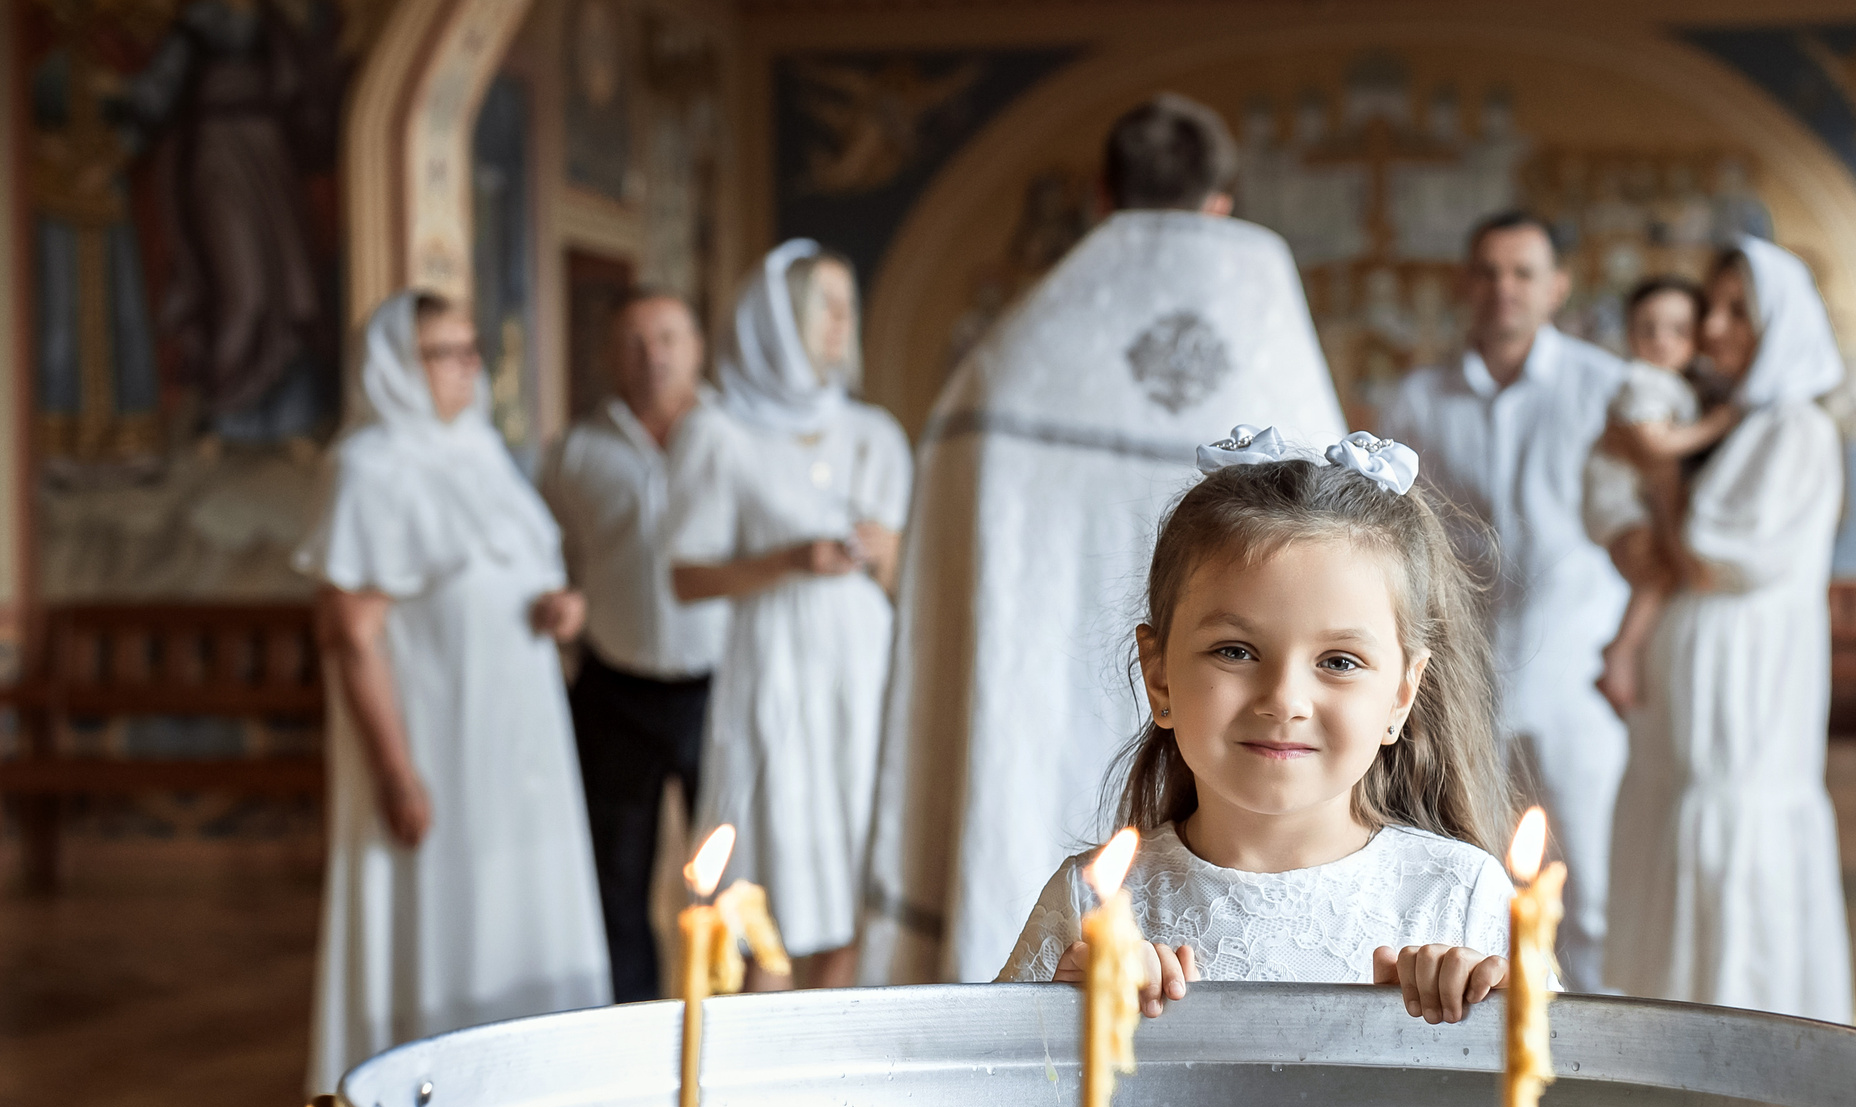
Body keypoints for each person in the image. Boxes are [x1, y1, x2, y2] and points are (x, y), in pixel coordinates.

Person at [861, 93, 1346, 987]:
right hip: (1239, 704)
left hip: (1024, 705)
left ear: (1099, 195)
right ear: (1221, 202)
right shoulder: (1273, 352)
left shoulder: (1010, 362)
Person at [998, 429, 1515, 1026]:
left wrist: (1494, 1016)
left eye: (1339, 662)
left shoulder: (1462, 896)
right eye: (1236, 652)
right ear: (1160, 675)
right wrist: (1065, 1017)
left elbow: (1559, 1098)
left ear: (1402, 694)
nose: (1284, 700)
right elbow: (992, 1098)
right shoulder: (1089, 902)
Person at [300, 291, 610, 1091]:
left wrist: (561, 607)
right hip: (439, 746)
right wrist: (396, 771)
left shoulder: (482, 451)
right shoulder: (367, 466)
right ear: (397, 367)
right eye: (445, 353)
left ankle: (532, 1090)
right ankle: (430, 1104)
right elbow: (350, 634)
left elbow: (522, 577)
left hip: (523, 742)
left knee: (523, 906)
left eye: (472, 350)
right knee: (447, 914)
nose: (468, 368)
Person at [1590, 238, 1854, 1023]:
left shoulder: (1796, 429)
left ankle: (1740, 1037)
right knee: (1673, 818)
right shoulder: (1724, 420)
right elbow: (1645, 535)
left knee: (1731, 819)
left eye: (1739, 311)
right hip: (1687, 657)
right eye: (1714, 308)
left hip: (1750, 667)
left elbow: (1708, 556)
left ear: (1782, 324)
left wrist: (1664, 477)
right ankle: (1664, 1035)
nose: (1714, 329)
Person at [1378, 212, 1629, 994]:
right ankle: (1494, 1030)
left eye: (1523, 272)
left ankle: (1599, 1039)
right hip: (1469, 673)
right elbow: (1398, 531)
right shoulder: (1417, 401)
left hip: (1585, 667)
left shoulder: (1603, 388)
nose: (1504, 289)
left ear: (1557, 287)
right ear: (1464, 284)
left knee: (1594, 873)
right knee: (1472, 865)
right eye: (1487, 271)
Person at [673, 241, 912, 989]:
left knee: (849, 852)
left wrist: (885, 553)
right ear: (778, 321)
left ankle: (833, 1037)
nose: (842, 322)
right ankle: (754, 1048)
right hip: (772, 662)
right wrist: (787, 561)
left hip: (859, 667)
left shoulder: (874, 434)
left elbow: (906, 581)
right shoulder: (717, 434)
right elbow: (685, 576)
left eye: (849, 306)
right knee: (770, 858)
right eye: (823, 306)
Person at [540, 289, 731, 1003]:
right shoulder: (575, 453)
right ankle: (633, 1020)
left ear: (697, 347)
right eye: (634, 341)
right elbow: (552, 556)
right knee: (615, 874)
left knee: (733, 860)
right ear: (609, 356)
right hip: (614, 685)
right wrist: (561, 599)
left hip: (721, 684)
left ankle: (735, 1017)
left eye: (668, 337)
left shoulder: (730, 438)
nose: (653, 356)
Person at [1589, 277, 1743, 716]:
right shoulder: (1643, 381)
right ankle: (1620, 653)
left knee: (1661, 577)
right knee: (1655, 575)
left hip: (1636, 498)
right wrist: (1717, 425)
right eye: (1647, 328)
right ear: (1629, 334)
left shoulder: (1675, 384)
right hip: (1620, 498)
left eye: (1677, 330)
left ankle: (1626, 653)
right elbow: (1654, 446)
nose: (1661, 340)